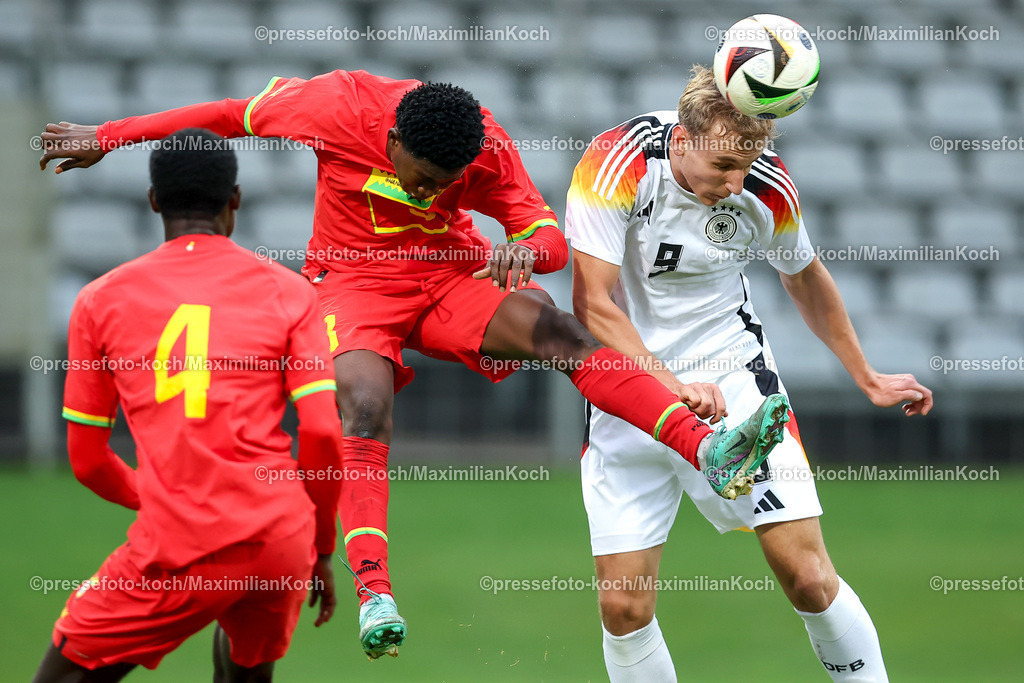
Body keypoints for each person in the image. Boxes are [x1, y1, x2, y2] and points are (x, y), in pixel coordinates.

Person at [40, 70, 789, 660]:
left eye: (440, 182)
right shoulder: (336, 105)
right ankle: (375, 594)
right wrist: (106, 137)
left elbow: (548, 236)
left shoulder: (485, 145)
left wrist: (524, 251)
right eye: (417, 175)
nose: (426, 189)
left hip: (445, 275)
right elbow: (225, 113)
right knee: (360, 403)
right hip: (352, 283)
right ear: (392, 135)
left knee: (559, 330)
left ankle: (709, 449)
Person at [565, 65, 934, 682]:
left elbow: (804, 275)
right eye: (722, 169)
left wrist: (865, 374)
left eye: (745, 166)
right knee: (623, 605)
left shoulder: (764, 186)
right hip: (628, 388)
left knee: (810, 579)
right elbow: (593, 304)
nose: (736, 184)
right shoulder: (615, 164)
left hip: (736, 381)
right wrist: (670, 387)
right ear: (681, 143)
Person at [32, 128, 343, 682]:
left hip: (180, 542)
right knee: (245, 670)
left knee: (65, 674)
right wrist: (319, 546)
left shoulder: (100, 300)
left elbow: (87, 460)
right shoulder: (291, 291)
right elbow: (320, 431)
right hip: (280, 538)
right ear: (236, 200)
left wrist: (163, 500)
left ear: (154, 201)